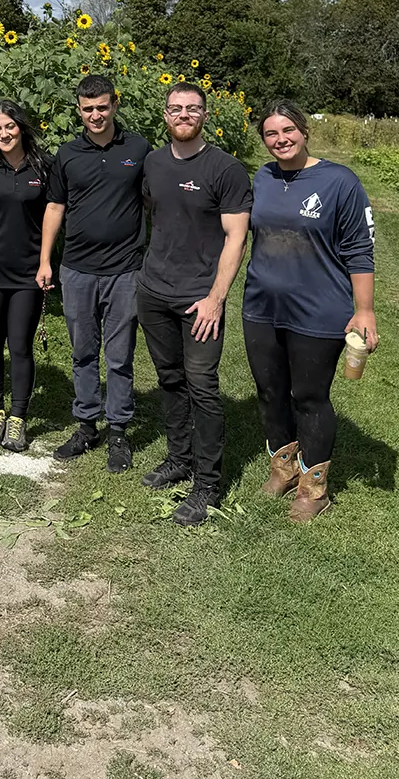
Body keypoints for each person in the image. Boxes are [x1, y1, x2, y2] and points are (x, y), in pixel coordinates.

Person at [242, 99, 377, 522]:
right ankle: (282, 468)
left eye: (288, 131)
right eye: (271, 133)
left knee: (310, 397)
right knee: (270, 392)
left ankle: (313, 488)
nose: (281, 140)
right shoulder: (261, 178)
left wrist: (365, 310)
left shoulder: (339, 181)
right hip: (261, 306)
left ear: (304, 132)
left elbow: (359, 248)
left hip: (318, 311)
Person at [137, 83, 252, 526]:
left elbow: (236, 238)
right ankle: (178, 458)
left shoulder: (225, 169)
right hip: (154, 291)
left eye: (192, 109)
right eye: (175, 109)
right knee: (169, 379)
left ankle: (207, 485)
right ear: (165, 115)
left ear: (205, 115)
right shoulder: (153, 162)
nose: (183, 115)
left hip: (199, 300)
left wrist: (215, 299)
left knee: (202, 384)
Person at [37, 74, 151, 471]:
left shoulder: (138, 148)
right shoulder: (67, 154)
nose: (96, 115)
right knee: (83, 352)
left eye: (102, 107)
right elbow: (55, 207)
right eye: (88, 109)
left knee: (119, 356)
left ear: (115, 105)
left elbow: (156, 200)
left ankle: (118, 431)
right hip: (77, 269)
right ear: (79, 110)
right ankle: (87, 424)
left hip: (124, 270)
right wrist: (45, 260)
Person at [0, 99, 49, 453]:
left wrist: (46, 262)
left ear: (21, 127)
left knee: (20, 345)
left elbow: (54, 212)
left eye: (9, 126)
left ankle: (17, 417)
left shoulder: (43, 166)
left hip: (28, 271)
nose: (4, 133)